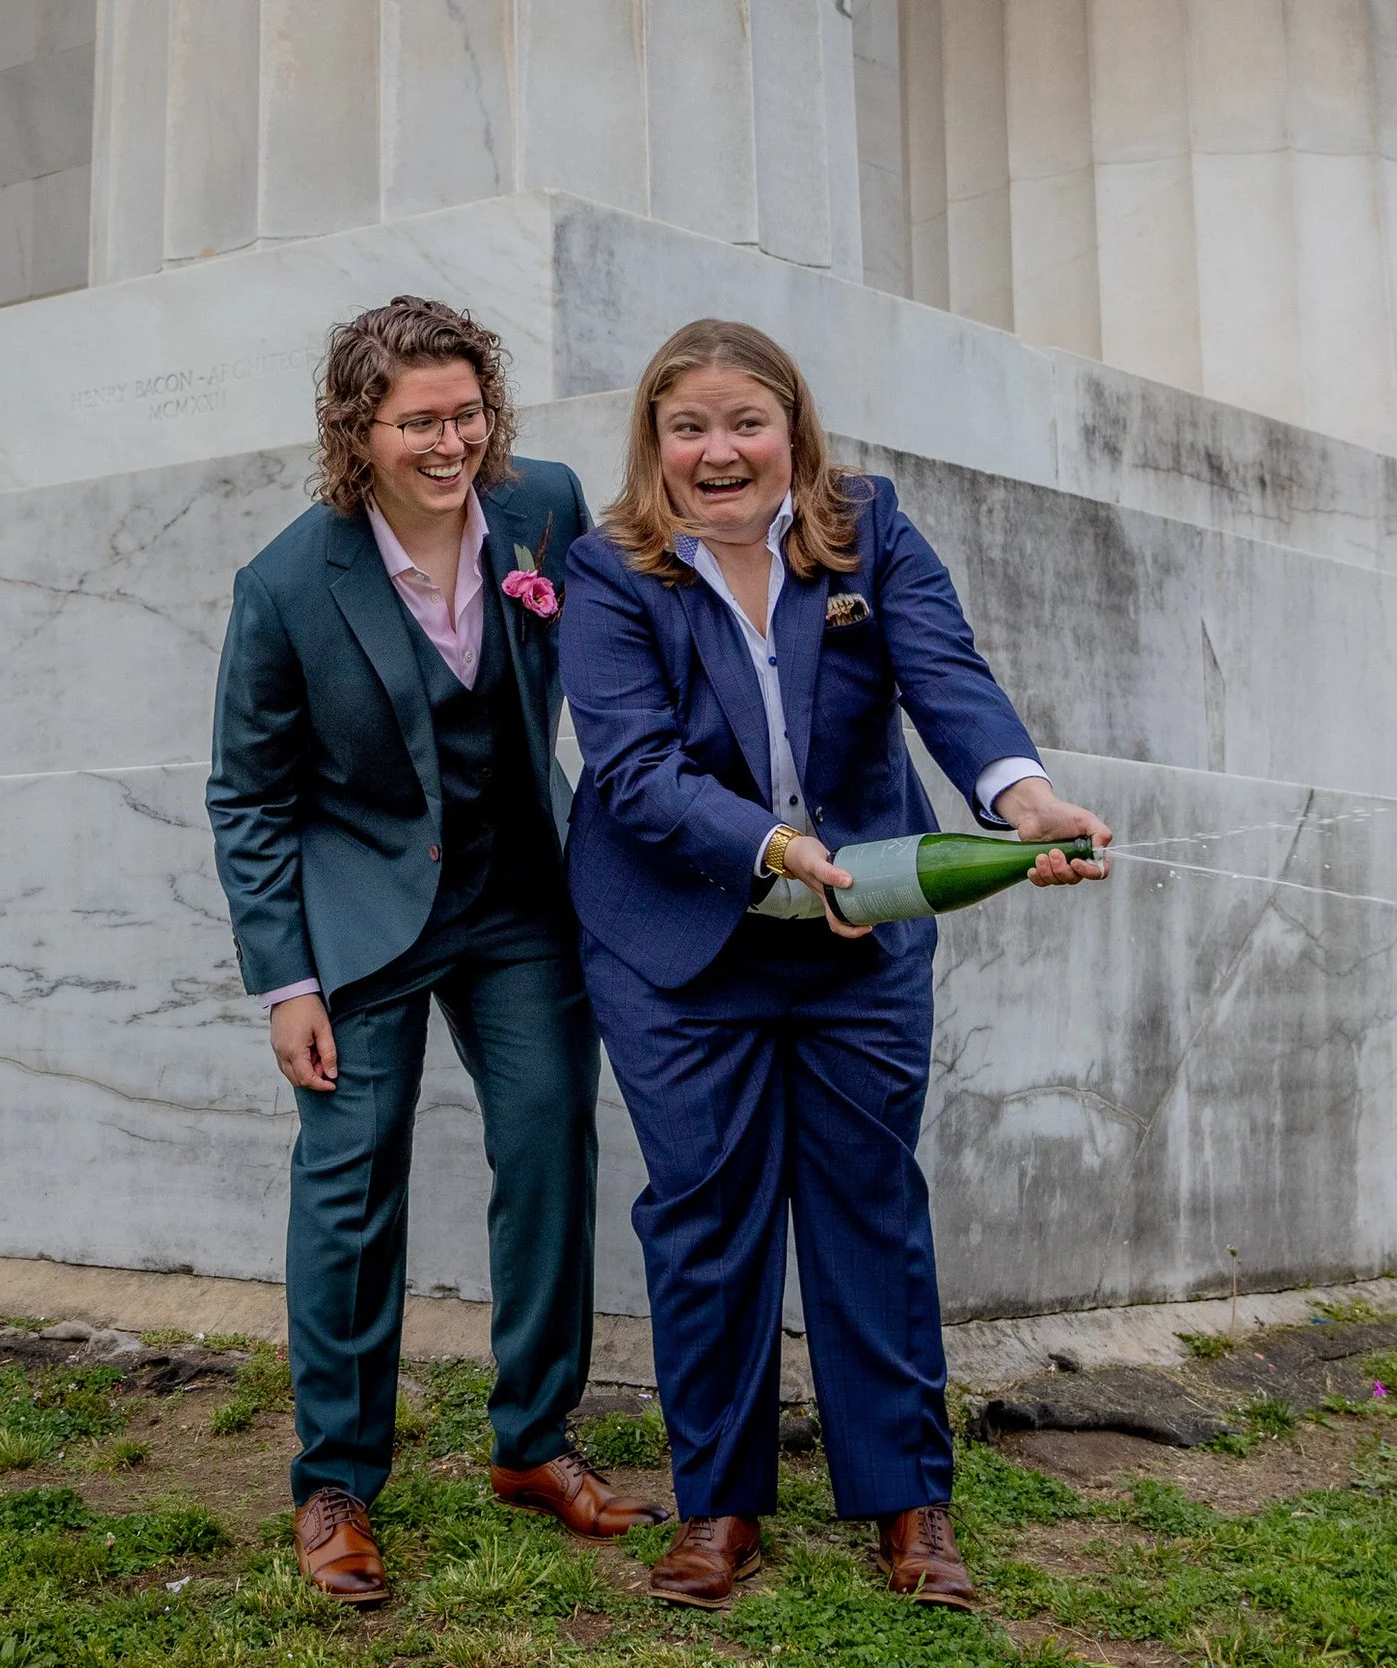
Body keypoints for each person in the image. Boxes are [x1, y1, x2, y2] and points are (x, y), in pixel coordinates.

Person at [559, 319, 1109, 1612]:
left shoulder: (869, 526)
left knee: (869, 1202)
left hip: (863, 926)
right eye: (685, 426)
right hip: (679, 938)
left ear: (793, 431)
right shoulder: (606, 567)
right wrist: (779, 851)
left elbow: (945, 676)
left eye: (744, 421)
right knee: (706, 1216)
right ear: (653, 445)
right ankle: (720, 1509)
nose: (718, 450)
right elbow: (632, 770)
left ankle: (910, 1507)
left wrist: (1021, 800)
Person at [207, 296, 668, 1605]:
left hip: (521, 899)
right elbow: (247, 794)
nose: (452, 440)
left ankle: (534, 1443)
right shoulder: (289, 583)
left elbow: (623, 643)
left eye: (467, 413)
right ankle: (338, 1483)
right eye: (421, 421)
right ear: (359, 428)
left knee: (547, 1143)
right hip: (361, 919)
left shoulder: (548, 509)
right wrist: (286, 979)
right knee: (349, 1183)